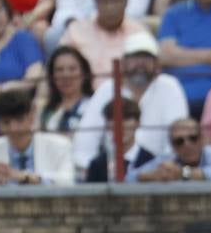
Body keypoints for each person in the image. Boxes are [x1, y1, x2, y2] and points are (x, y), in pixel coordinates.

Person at [73, 32, 189, 172]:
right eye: (135, 58)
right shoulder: (108, 89)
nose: (140, 63)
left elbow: (177, 138)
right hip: (111, 173)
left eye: (146, 58)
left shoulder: (169, 86)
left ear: (157, 63)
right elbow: (85, 140)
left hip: (159, 176)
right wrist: (93, 170)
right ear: (123, 63)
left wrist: (158, 171)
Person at [0, 89, 77, 183]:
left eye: (19, 120)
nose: (13, 129)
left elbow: (67, 181)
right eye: (6, 122)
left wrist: (23, 177)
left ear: (31, 117)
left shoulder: (60, 145)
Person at [61, 0, 148, 85]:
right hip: (87, 96)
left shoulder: (140, 34)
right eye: (103, 1)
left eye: (115, 0)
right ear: (95, 2)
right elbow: (59, 70)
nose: (109, 7)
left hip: (129, 96)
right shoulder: (75, 32)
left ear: (126, 2)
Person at [127, 115, 211, 181]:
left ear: (202, 140)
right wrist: (154, 175)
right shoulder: (167, 159)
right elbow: (129, 178)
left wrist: (184, 173)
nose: (187, 144)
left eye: (193, 138)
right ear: (173, 146)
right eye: (179, 141)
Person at [44, 0, 156, 52]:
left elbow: (136, 9)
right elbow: (64, 9)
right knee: (53, 36)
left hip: (128, 21)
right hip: (81, 24)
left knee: (146, 31)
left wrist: (108, 13)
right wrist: (79, 27)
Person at [84, 97, 154, 180]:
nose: (121, 125)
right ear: (107, 125)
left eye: (126, 118)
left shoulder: (151, 161)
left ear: (138, 123)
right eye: (114, 119)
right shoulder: (97, 164)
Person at [41, 46, 94, 132]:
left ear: (84, 73)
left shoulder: (94, 106)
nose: (66, 75)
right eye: (59, 70)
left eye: (72, 69)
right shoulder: (46, 111)